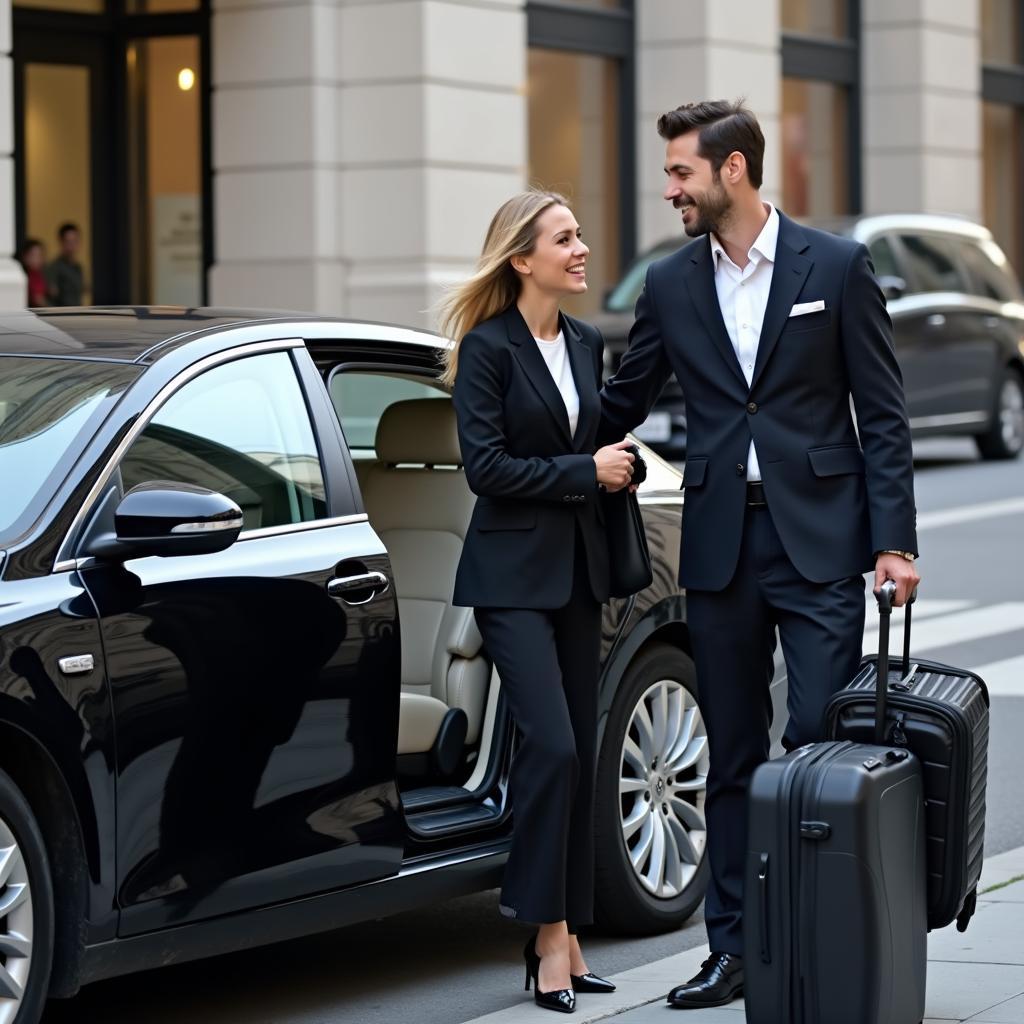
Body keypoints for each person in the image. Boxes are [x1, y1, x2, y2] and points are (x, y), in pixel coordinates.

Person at [597, 100, 921, 1009]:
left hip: (818, 539)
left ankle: (823, 939)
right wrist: (520, 393)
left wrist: (893, 541)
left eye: (681, 174)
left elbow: (882, 416)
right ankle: (732, 950)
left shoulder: (838, 266)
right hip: (721, 542)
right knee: (730, 756)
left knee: (820, 735)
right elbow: (622, 397)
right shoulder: (669, 285)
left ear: (732, 170)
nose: (670, 191)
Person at [441, 190, 635, 1014]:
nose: (582, 248)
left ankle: (570, 935)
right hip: (511, 582)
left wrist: (614, 461)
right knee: (551, 749)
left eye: (581, 234)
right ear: (523, 259)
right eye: (565, 238)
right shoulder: (486, 351)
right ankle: (543, 932)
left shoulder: (588, 344)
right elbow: (486, 469)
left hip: (578, 575)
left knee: (580, 757)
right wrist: (582, 472)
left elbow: (589, 441)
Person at [46, 222, 85, 306]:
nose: (72, 245)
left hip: (77, 313)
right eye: (68, 241)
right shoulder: (54, 267)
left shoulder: (78, 267)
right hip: (61, 315)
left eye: (75, 241)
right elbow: (51, 296)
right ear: (61, 242)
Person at [17, 238, 48, 307]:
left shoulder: (41, 275)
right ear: (24, 257)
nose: (37, 259)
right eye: (33, 255)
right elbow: (39, 300)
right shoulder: (21, 277)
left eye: (40, 255)